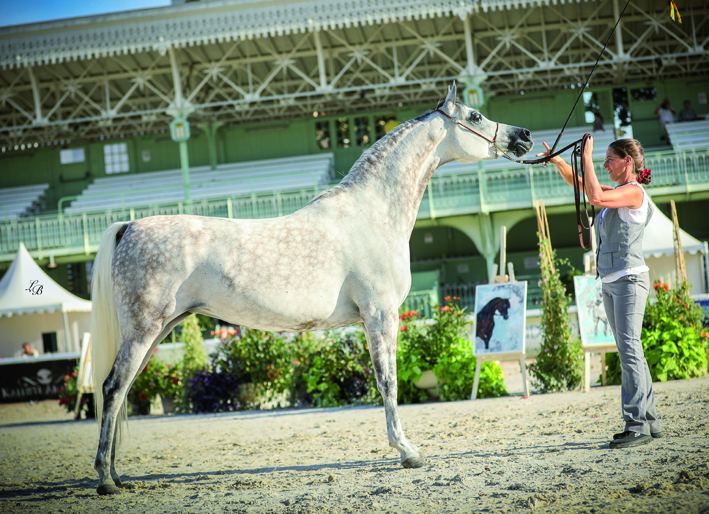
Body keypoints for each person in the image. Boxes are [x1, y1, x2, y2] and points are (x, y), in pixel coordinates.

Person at [537, 136, 660, 449]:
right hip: (611, 280)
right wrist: (560, 161)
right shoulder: (618, 192)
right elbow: (581, 185)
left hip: (630, 279)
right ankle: (649, 420)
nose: (605, 165)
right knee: (630, 350)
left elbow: (592, 195)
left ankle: (637, 425)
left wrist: (588, 155)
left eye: (610, 159)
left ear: (627, 161)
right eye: (602, 159)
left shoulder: (633, 192)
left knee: (630, 350)